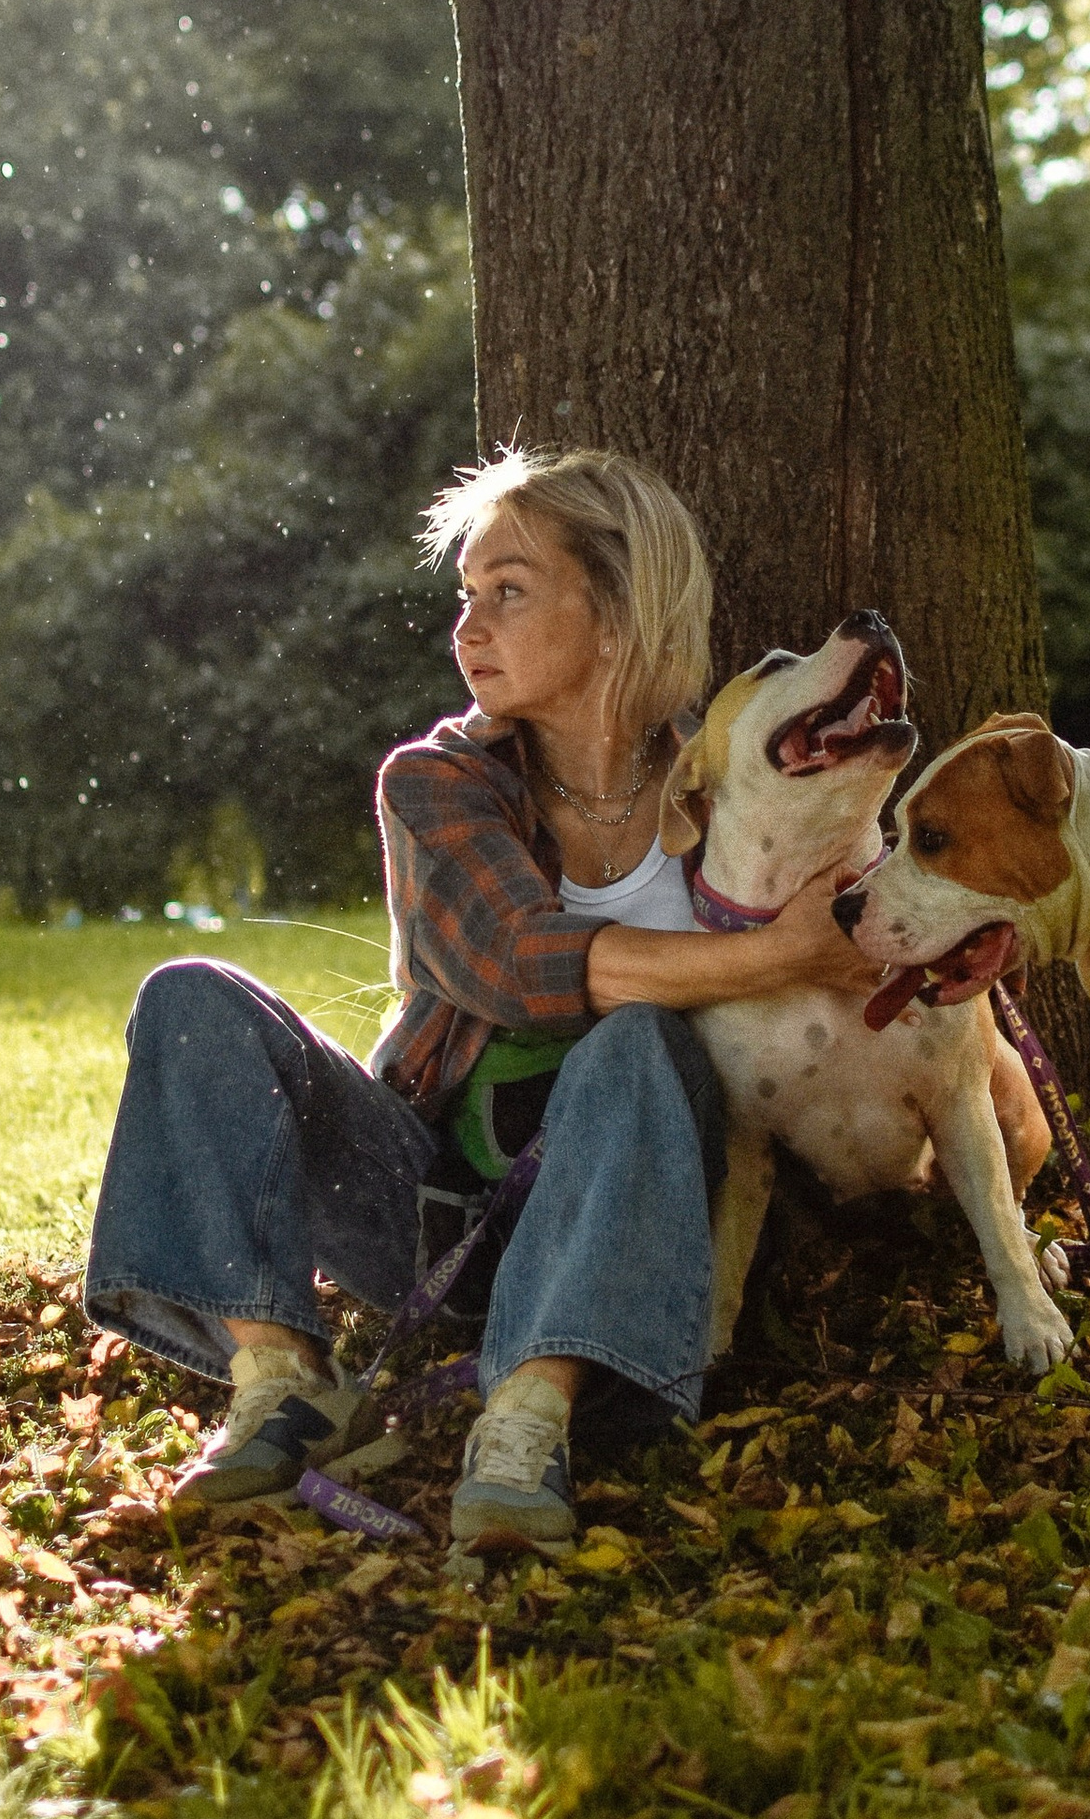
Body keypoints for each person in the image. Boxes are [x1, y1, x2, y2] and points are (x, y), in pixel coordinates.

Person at [84, 445, 880, 1552]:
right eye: (466, 596)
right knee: (191, 998)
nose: (469, 627)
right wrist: (780, 957)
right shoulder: (437, 781)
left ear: (615, 614)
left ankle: (530, 1419)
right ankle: (281, 1380)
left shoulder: (734, 776)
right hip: (430, 1204)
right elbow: (517, 964)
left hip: (637, 1221)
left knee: (642, 1040)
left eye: (509, 592)